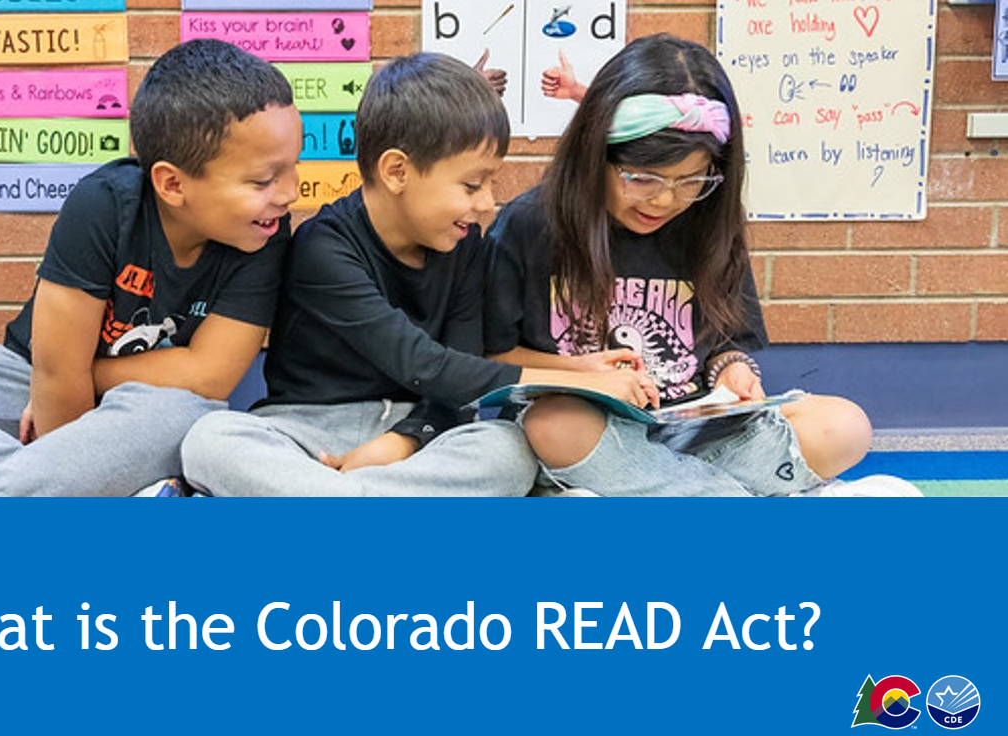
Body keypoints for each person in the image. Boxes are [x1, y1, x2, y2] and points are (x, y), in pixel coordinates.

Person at [0, 39, 301, 497]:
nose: (289, 193)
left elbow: (208, 376)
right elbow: (55, 375)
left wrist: (82, 375)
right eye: (263, 180)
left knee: (189, 418)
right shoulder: (103, 205)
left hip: (148, 405)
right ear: (172, 184)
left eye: (292, 168)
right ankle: (85, 492)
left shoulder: (264, 233)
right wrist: (69, 439)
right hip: (29, 377)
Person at [180, 52, 641, 497]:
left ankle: (324, 502)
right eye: (471, 184)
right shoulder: (323, 246)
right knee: (210, 439)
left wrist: (403, 440)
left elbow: (457, 370)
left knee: (508, 451)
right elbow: (423, 363)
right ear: (398, 171)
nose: (486, 205)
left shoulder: (466, 248)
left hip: (421, 434)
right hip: (305, 428)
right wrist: (582, 381)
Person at [485, 34, 918, 497]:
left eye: (692, 180)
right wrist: (585, 374)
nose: (667, 199)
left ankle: (667, 494)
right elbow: (493, 356)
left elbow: (726, 345)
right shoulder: (530, 223)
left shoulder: (707, 223)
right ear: (595, 156)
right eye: (642, 178)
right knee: (555, 423)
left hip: (695, 436)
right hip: (596, 435)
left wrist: (732, 371)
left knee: (844, 425)